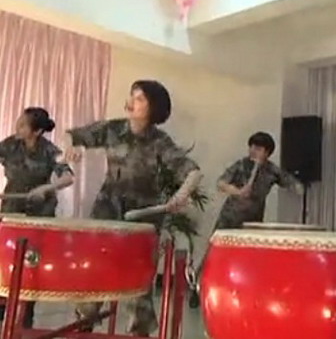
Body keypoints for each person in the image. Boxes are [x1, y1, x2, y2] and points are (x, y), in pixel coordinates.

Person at [64, 80, 203, 337]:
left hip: (142, 215)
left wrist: (181, 195)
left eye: (139, 99)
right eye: (132, 96)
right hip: (108, 207)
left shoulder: (160, 141)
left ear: (153, 108)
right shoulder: (113, 128)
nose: (131, 102)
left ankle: (139, 331)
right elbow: (73, 135)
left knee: (137, 276)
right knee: (95, 266)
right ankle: (84, 322)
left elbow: (193, 172)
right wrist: (72, 146)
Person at [0, 107, 74, 327]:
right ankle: (3, 308)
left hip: (39, 214)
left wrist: (45, 188)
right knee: (4, 261)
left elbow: (68, 178)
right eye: (19, 121)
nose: (17, 126)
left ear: (38, 131)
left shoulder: (49, 150)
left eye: (23, 124)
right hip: (12, 209)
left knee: (30, 263)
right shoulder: (10, 144)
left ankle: (25, 316)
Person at [215, 132, 303, 229]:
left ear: (267, 153)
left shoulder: (272, 170)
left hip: (253, 220)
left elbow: (292, 183)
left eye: (258, 149)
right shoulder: (241, 165)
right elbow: (221, 183)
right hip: (230, 218)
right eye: (251, 147)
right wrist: (238, 192)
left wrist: (297, 188)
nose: (252, 151)